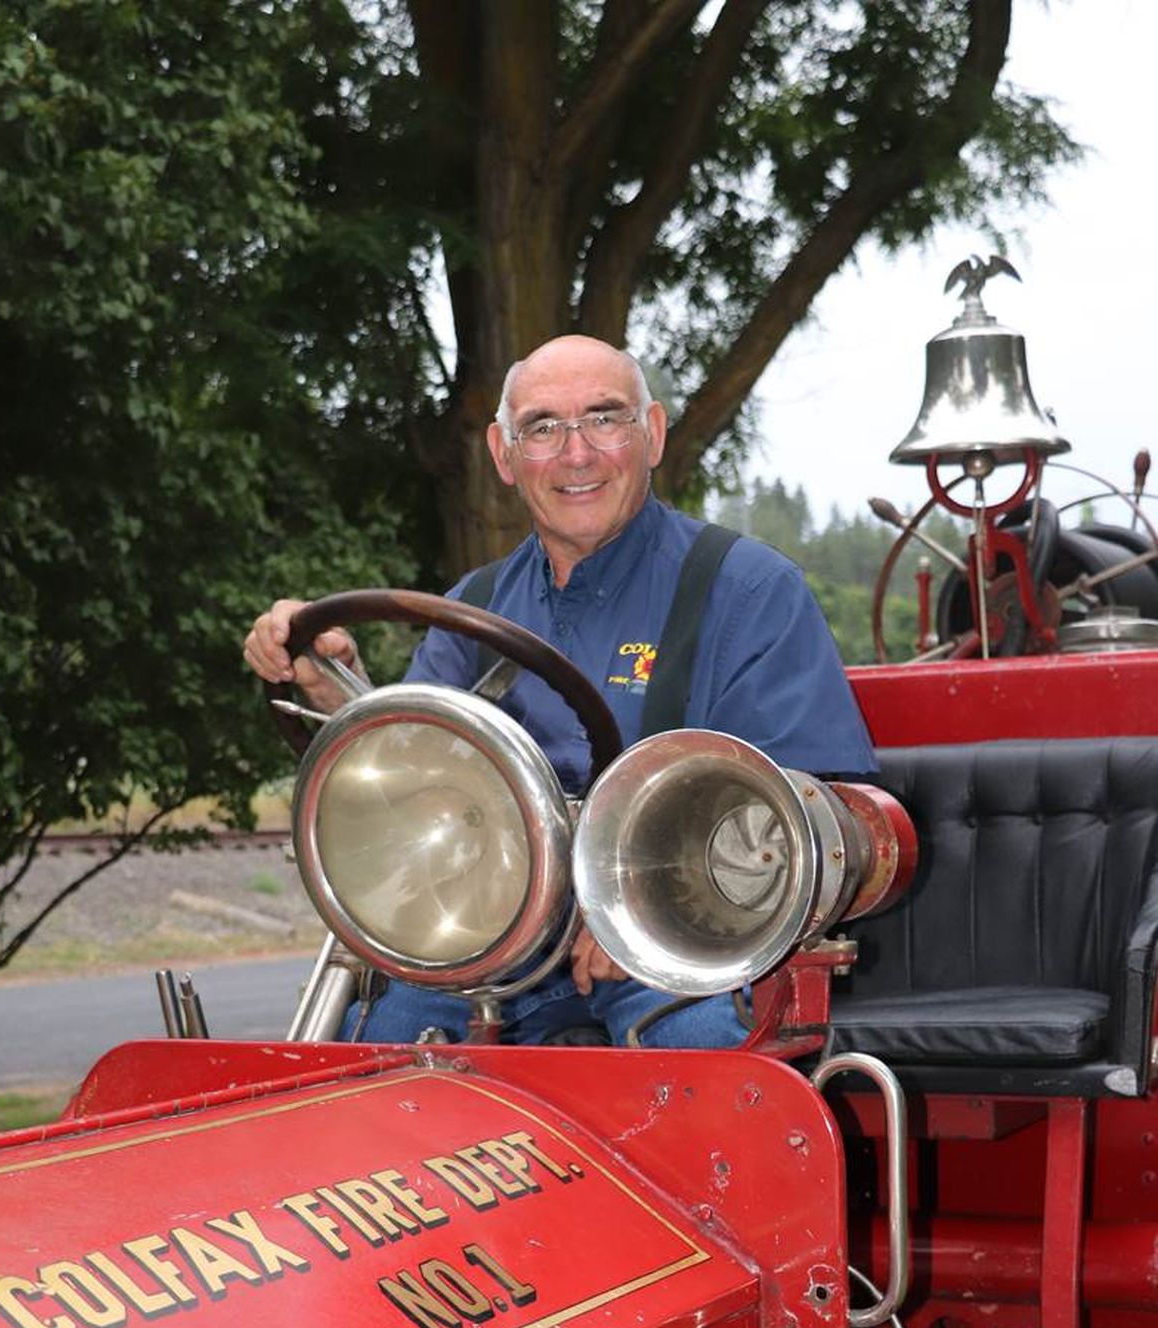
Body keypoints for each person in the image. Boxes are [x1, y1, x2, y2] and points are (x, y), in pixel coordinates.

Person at [244, 334, 876, 1047]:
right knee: (375, 1056)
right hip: (488, 952)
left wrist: (645, 913)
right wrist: (334, 689)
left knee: (701, 1067)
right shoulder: (474, 606)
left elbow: (815, 819)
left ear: (654, 434)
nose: (576, 453)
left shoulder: (750, 592)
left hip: (680, 957)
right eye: (543, 427)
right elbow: (409, 776)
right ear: (504, 454)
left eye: (605, 418)